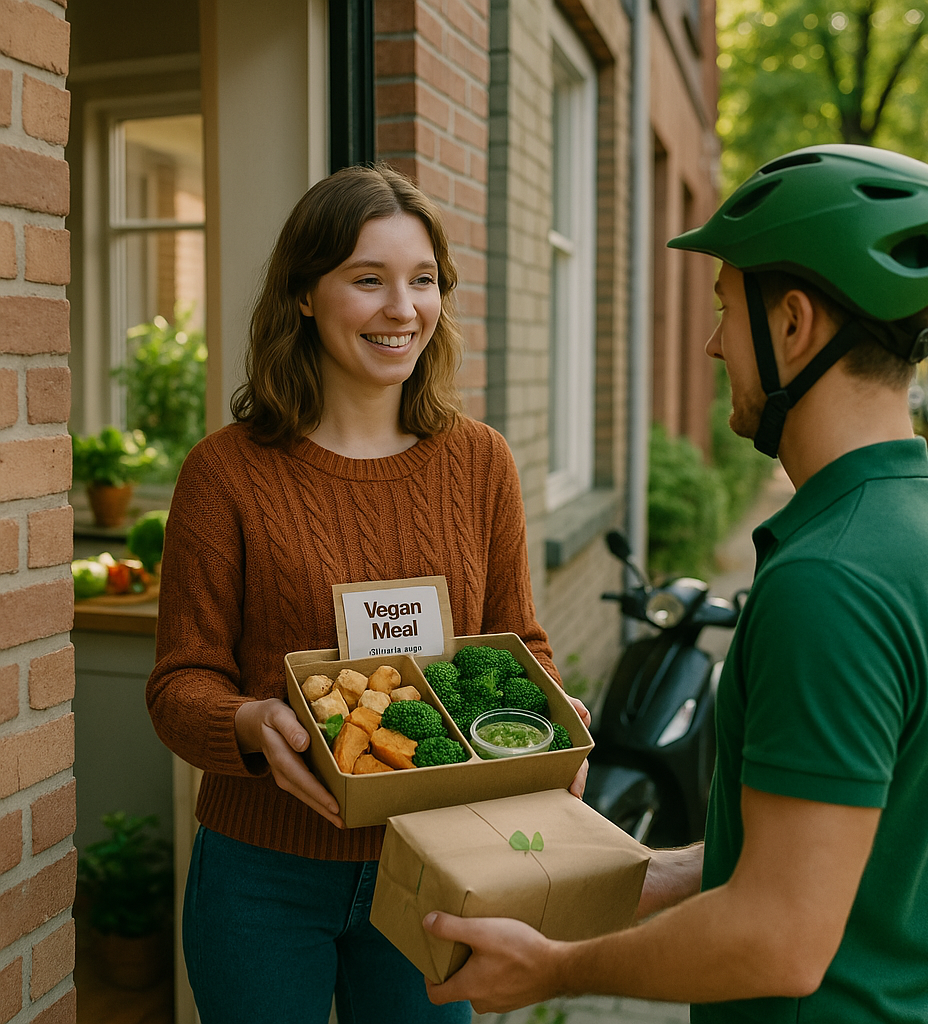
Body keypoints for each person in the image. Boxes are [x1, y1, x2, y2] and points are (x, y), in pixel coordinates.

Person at [423, 144, 928, 1023]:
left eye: (726, 306)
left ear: (794, 324)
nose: (713, 342)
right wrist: (622, 877)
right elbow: (809, 845)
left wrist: (555, 969)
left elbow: (776, 935)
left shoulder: (829, 580)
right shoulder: (925, 529)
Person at [145, 163, 588, 1024]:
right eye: (368, 279)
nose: (402, 309)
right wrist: (251, 722)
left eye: (423, 280)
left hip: (436, 861)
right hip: (263, 875)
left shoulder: (481, 462)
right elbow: (177, 685)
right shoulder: (224, 474)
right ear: (304, 295)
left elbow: (518, 642)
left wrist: (546, 709)